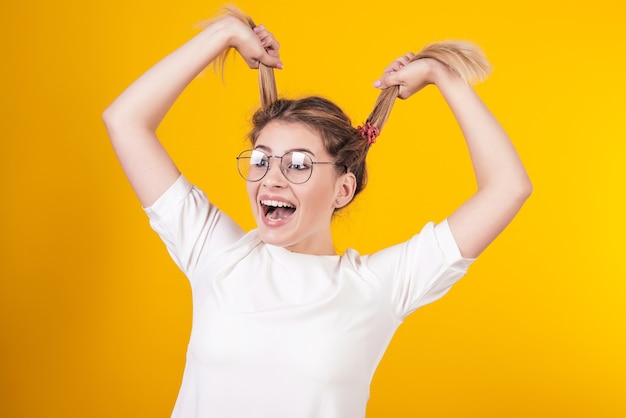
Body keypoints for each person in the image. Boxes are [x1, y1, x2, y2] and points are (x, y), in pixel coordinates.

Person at [103, 6, 531, 418]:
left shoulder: (378, 287)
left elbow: (508, 188)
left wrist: (443, 75)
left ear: (342, 189)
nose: (271, 178)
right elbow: (124, 120)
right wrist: (225, 35)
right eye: (261, 159)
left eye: (299, 164)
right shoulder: (214, 253)